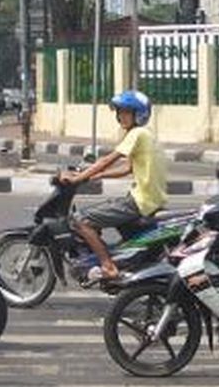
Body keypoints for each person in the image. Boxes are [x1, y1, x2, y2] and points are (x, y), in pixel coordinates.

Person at [58, 90, 168, 280]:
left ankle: (108, 266)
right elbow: (127, 168)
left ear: (139, 115)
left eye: (126, 112)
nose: (121, 116)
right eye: (120, 112)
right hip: (149, 199)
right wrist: (94, 176)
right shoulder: (145, 135)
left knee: (80, 220)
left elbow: (107, 160)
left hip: (140, 201)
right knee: (107, 207)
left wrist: (78, 178)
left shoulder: (137, 134)